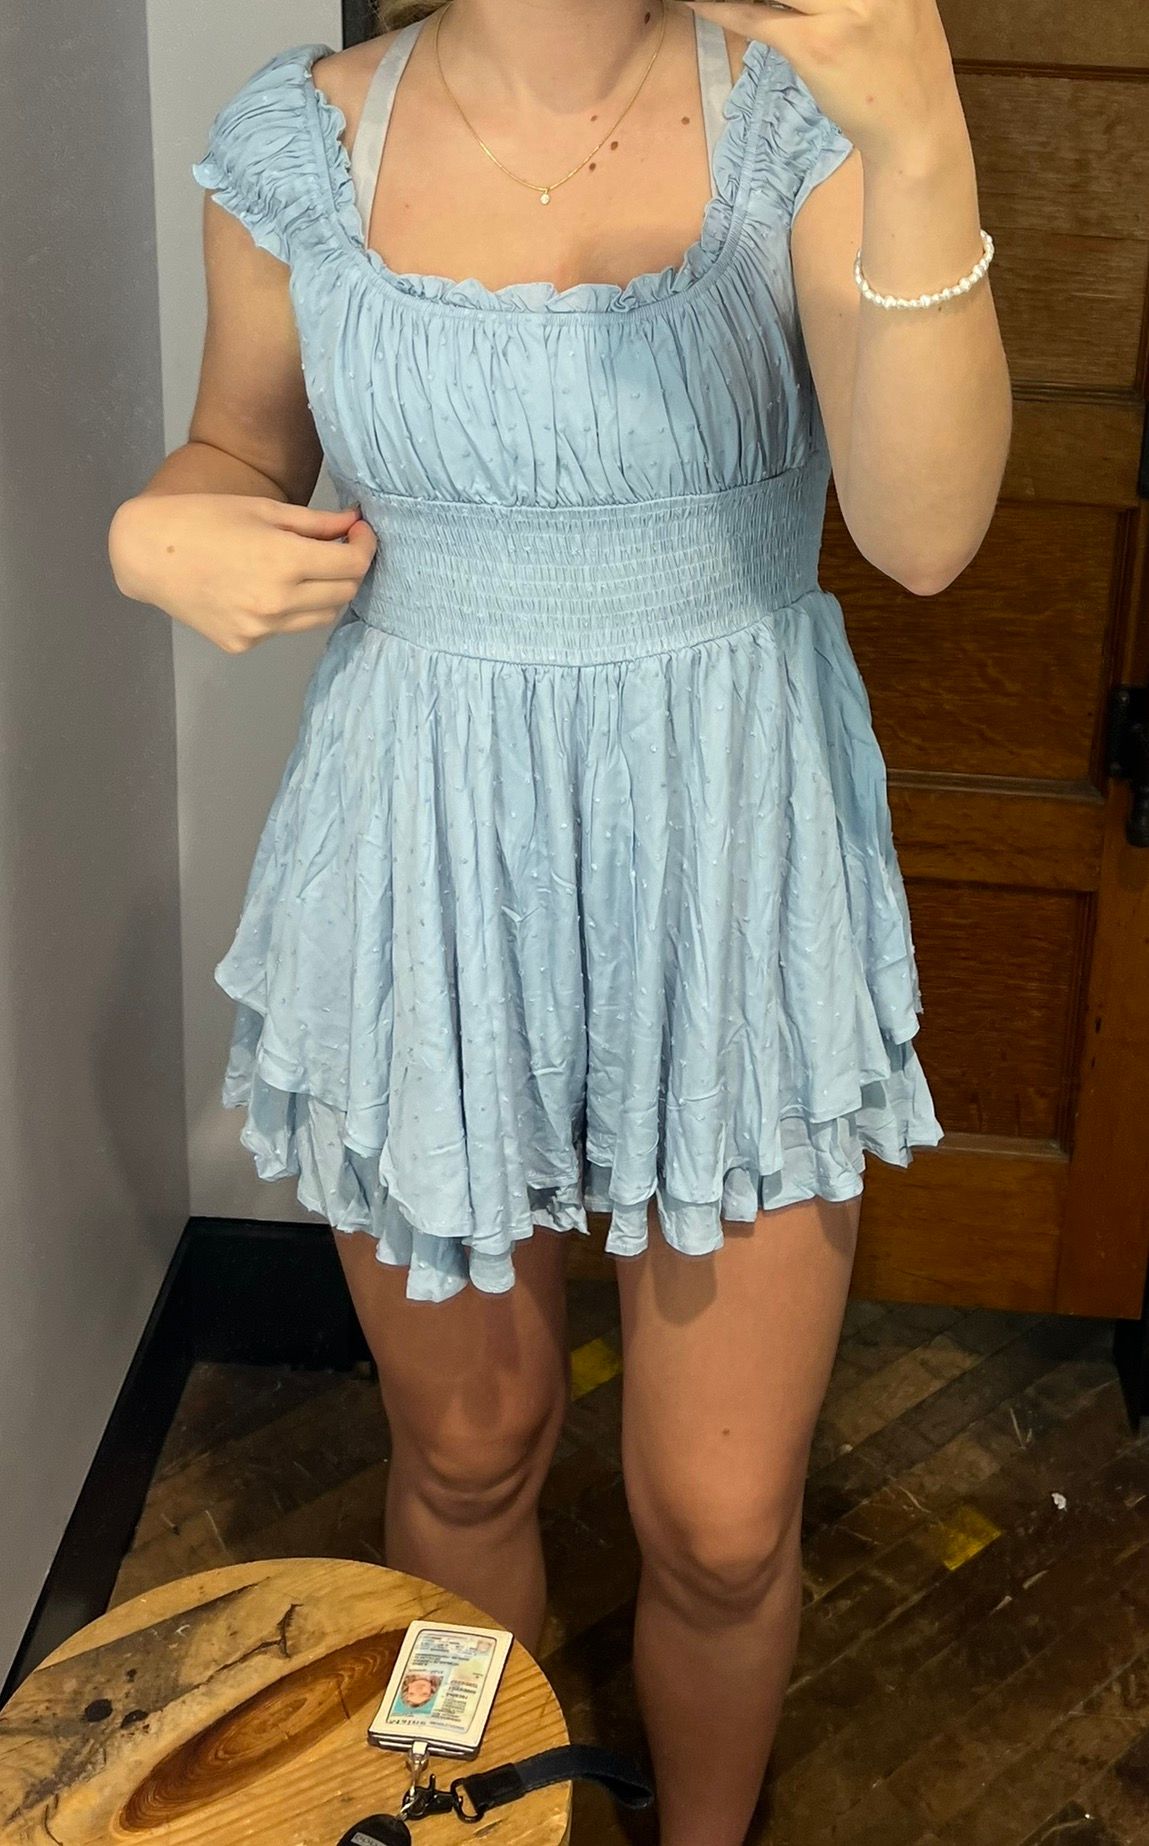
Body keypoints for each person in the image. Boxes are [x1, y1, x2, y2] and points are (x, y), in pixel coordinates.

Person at [107, 0, 1011, 1838]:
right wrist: (158, 526)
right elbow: (234, 450)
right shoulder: (297, 151)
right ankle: (472, 1821)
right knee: (463, 1451)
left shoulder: (803, 123)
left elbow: (922, 534)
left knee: (724, 1520)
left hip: (731, 866)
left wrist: (919, 145)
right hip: (422, 868)